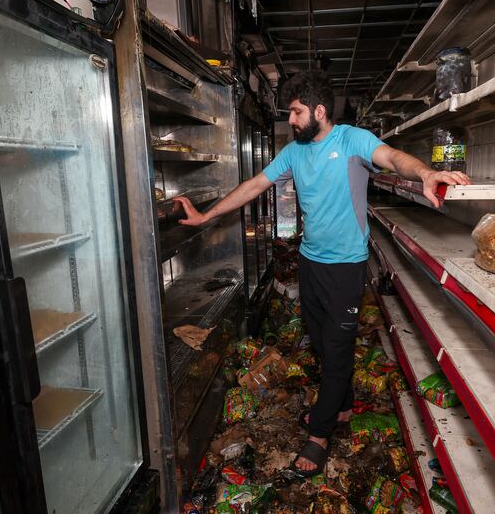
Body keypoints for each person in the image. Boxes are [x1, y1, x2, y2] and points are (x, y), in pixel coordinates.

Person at [173, 69, 470, 476]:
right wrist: (207, 214)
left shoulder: (352, 141)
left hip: (346, 269)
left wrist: (425, 173)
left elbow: (393, 158)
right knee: (323, 346)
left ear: (319, 110)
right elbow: (255, 185)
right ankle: (343, 407)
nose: (290, 121)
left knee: (338, 354)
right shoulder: (295, 152)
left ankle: (319, 436)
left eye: (295, 113)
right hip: (310, 264)